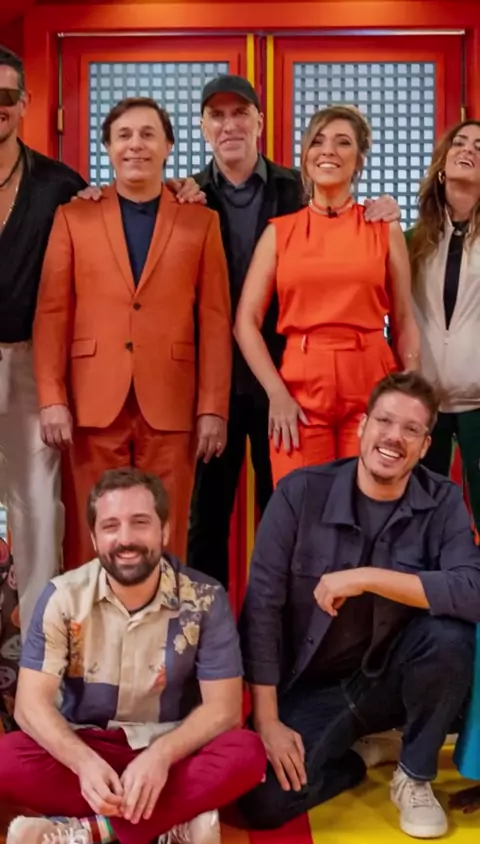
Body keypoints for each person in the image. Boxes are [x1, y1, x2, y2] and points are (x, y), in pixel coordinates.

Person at [239, 371, 480, 840]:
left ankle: (414, 773)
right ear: (363, 426)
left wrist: (366, 577)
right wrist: (267, 720)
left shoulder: (443, 501)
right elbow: (261, 609)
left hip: (396, 681)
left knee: (449, 635)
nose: (394, 437)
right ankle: (358, 757)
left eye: (411, 429)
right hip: (313, 688)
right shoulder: (300, 494)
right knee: (264, 801)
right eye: (384, 421)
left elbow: (472, 590)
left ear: (425, 445)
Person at [188, 76, 401, 589]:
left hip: (290, 379)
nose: (229, 125)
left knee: (288, 513)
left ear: (260, 122)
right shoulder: (188, 196)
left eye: (241, 113)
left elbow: (349, 240)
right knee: (207, 515)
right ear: (204, 127)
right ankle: (209, 628)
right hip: (216, 378)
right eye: (217, 116)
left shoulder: (293, 189)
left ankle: (304, 620)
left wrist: (387, 209)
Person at [0, 468, 266, 844]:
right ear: (94, 538)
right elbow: (30, 706)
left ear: (165, 531)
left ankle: (91, 831)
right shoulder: (62, 597)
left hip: (172, 750)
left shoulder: (205, 598)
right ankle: (173, 822)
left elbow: (223, 710)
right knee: (5, 759)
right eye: (111, 526)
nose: (125, 539)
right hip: (88, 745)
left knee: (247, 753)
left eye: (140, 523)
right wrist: (83, 762)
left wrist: (161, 755)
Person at [33, 96, 232, 571]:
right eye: (123, 136)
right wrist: (52, 397)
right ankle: (92, 620)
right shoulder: (74, 216)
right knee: (92, 530)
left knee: (165, 526)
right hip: (91, 402)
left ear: (168, 146)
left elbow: (215, 320)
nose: (135, 145)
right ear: (107, 147)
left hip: (171, 401)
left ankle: (163, 620)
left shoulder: (200, 219)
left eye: (147, 135)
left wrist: (213, 407)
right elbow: (52, 312)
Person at [234, 105, 420, 486]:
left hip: (371, 380)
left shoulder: (383, 229)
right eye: (318, 141)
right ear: (305, 156)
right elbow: (245, 323)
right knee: (304, 502)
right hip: (300, 387)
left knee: (370, 501)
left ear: (359, 159)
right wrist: (276, 393)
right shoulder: (280, 232)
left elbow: (403, 320)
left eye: (343, 142)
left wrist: (411, 393)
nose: (328, 151)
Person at [0, 46, 87, 638]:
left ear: (25, 103)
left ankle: (37, 646)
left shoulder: (59, 184)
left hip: (33, 360)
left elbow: (110, 235)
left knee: (36, 505)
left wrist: (182, 191)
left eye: (6, 96)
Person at [407, 120, 480, 536]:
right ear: (442, 163)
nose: (468, 149)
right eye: (459, 142)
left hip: (477, 402)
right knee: (421, 524)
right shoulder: (411, 240)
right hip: (424, 403)